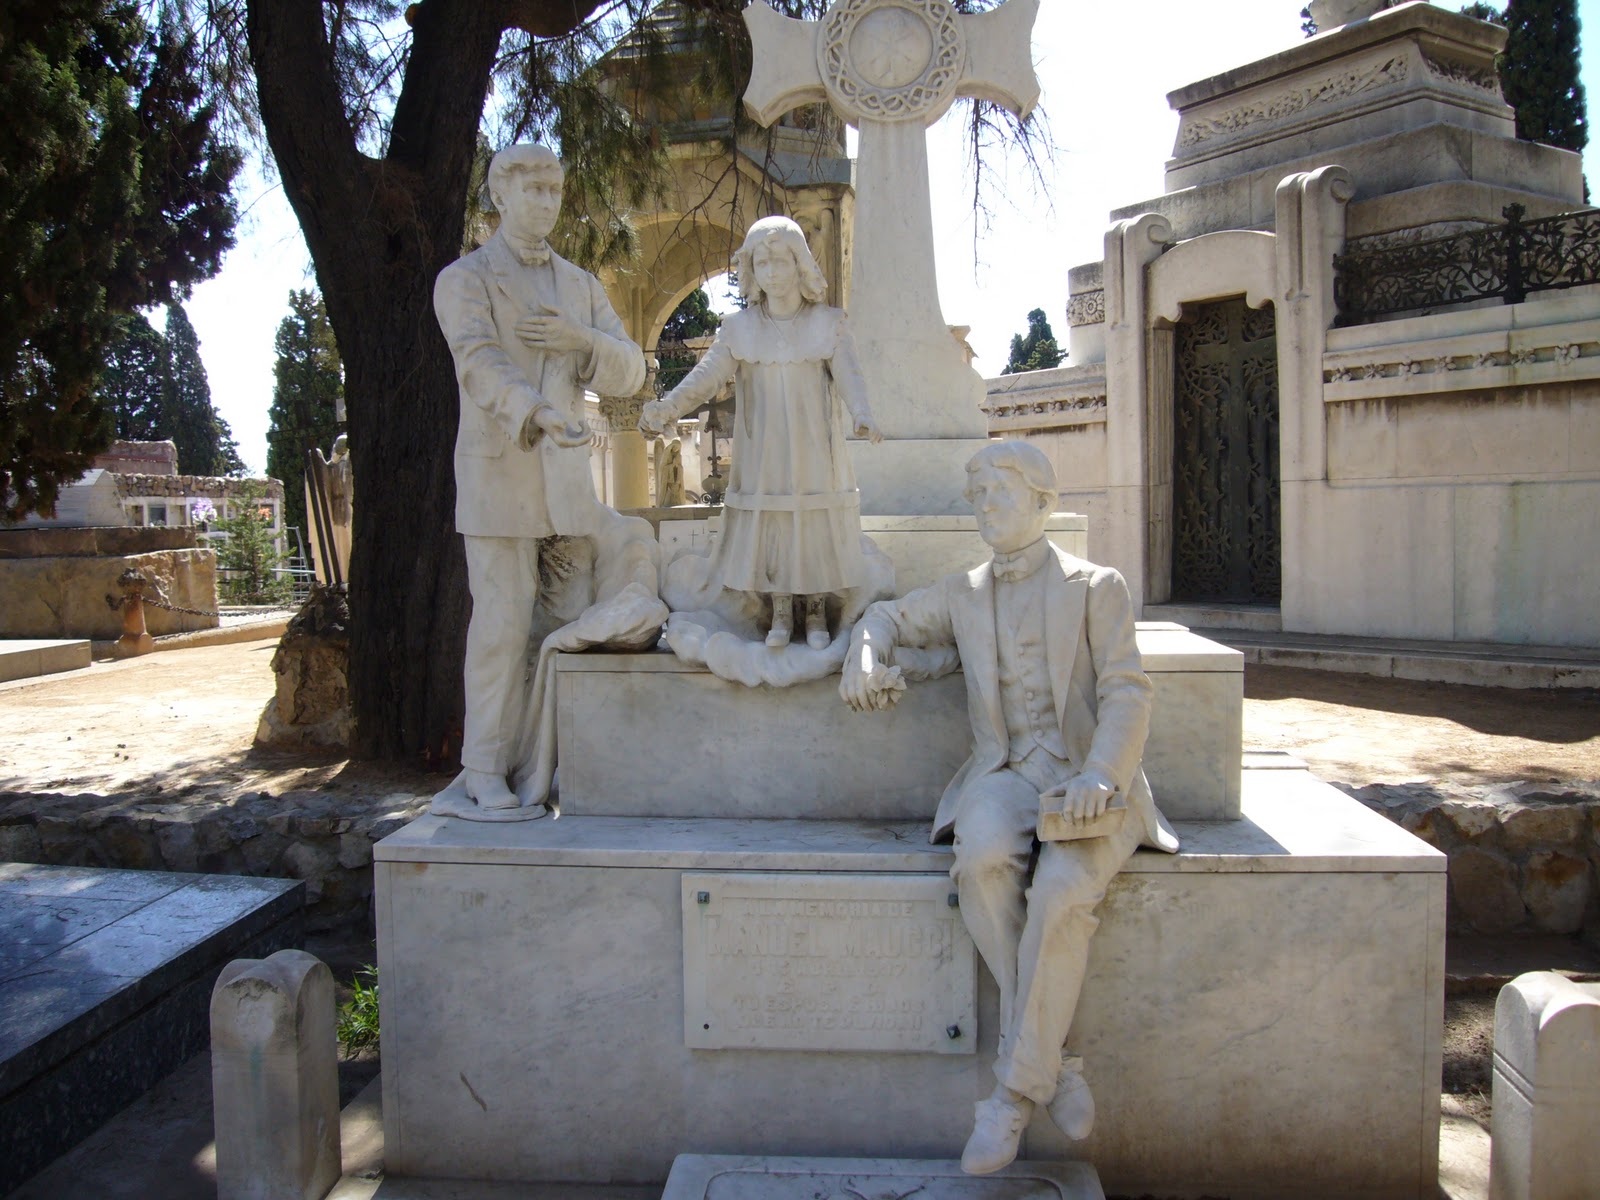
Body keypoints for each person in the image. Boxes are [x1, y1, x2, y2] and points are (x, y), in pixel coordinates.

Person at [840, 441, 1179, 1175]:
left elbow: (1127, 691)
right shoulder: (964, 591)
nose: (985, 505)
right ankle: (1056, 1060)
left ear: (1043, 502)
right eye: (978, 494)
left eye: (1001, 490)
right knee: (981, 861)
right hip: (1004, 772)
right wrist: (864, 656)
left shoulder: (1097, 586)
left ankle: (1012, 1096)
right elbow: (886, 618)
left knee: (1061, 892)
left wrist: (1101, 774)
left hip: (1090, 779)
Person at [433, 143, 646, 812]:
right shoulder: (465, 279)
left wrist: (582, 341)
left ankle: (553, 767)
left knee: (566, 625)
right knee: (500, 624)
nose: (548, 203)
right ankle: (484, 766)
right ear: (501, 196)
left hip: (567, 490)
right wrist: (536, 413)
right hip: (501, 480)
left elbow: (631, 369)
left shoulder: (579, 285)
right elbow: (478, 361)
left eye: (555, 190)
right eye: (533, 190)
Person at [639, 216, 881, 651]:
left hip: (813, 444)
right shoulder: (740, 328)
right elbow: (707, 377)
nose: (771, 272)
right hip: (764, 447)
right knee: (774, 523)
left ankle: (815, 608)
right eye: (761, 263)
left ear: (799, 263)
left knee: (813, 521)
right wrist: (669, 406)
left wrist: (861, 412)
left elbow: (849, 373)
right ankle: (781, 609)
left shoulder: (827, 323)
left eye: (780, 261)